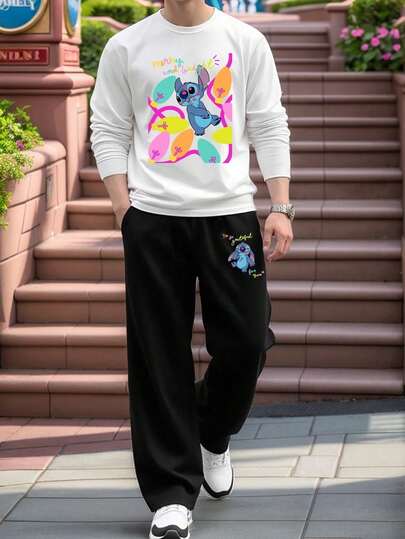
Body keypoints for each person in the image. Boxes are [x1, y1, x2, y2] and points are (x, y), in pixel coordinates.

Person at [89, 2, 293, 538]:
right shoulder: (126, 46)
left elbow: (268, 120)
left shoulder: (243, 41)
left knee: (247, 340)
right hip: (153, 220)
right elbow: (107, 128)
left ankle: (211, 430)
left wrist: (280, 204)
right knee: (157, 353)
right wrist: (124, 210)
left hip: (230, 217)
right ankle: (171, 494)